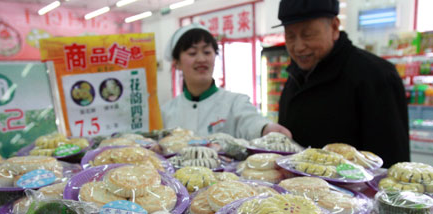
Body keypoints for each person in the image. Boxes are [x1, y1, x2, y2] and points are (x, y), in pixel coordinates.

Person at [276, 0, 410, 167]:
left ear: (334, 27)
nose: (298, 47)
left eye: (307, 34)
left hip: (357, 192)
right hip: (295, 190)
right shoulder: (295, 76)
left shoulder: (377, 76)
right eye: (290, 36)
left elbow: (393, 163)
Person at [161, 23, 292, 140]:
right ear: (176, 62)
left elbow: (251, 122)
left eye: (207, 52)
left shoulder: (235, 103)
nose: (201, 59)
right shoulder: (166, 112)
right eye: (192, 53)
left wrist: (265, 129)